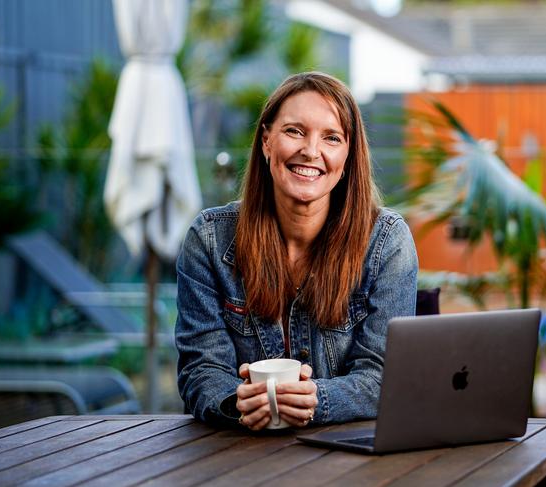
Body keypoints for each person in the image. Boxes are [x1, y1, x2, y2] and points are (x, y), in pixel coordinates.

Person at [176, 71, 418, 431]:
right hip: (237, 457)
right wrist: (234, 400)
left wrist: (317, 400)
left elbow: (382, 376)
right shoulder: (208, 240)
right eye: (294, 131)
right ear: (266, 142)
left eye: (331, 138)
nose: (311, 150)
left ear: (348, 157)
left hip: (348, 460)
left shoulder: (386, 243)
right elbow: (201, 370)